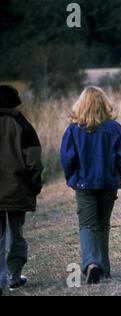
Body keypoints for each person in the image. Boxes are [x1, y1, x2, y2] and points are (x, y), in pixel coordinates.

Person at [60, 86, 121, 284]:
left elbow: (67, 159)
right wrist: (116, 174)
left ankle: (91, 263)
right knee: (102, 225)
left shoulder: (73, 130)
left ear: (80, 105)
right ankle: (105, 268)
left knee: (87, 225)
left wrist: (73, 179)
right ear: (103, 104)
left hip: (84, 185)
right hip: (108, 184)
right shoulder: (115, 128)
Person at [0, 85, 43, 295]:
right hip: (18, 191)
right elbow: (34, 161)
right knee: (16, 234)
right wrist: (35, 185)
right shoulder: (22, 125)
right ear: (15, 102)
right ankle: (14, 277)